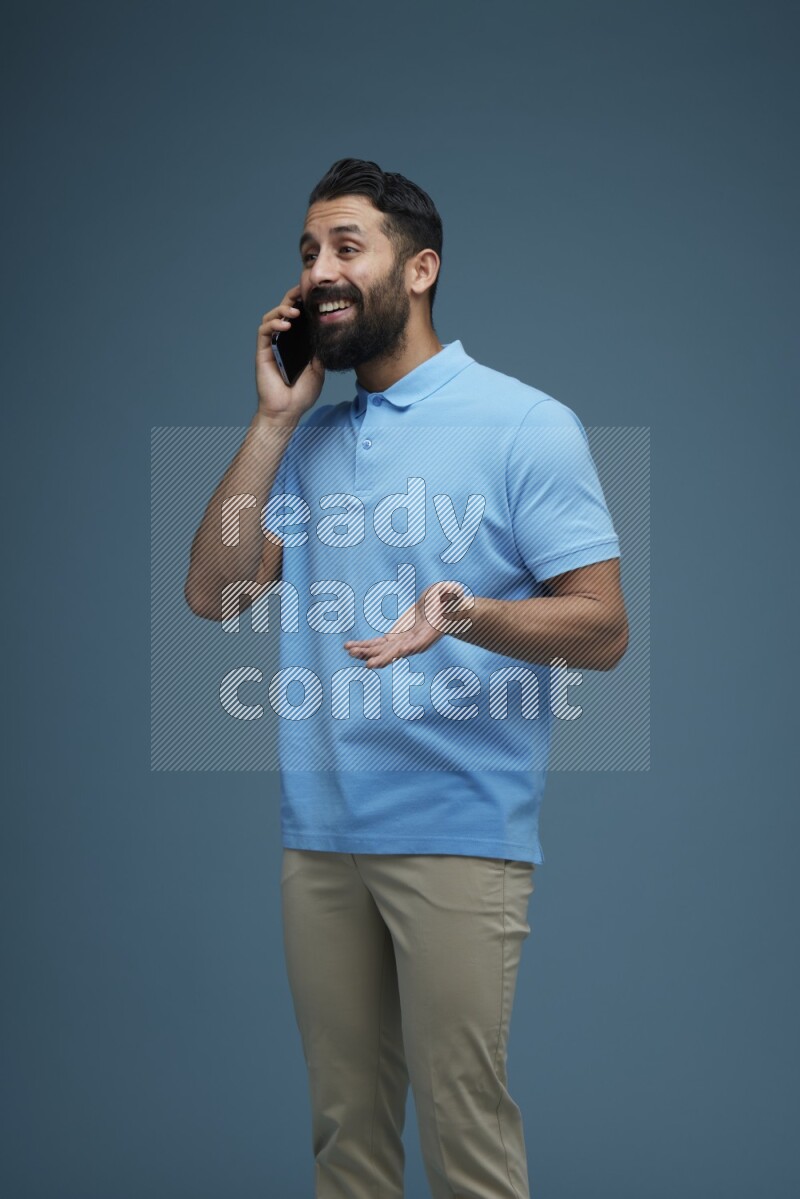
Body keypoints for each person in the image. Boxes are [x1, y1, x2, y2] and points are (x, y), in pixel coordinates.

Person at [185, 157, 628, 1199]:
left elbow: (603, 629)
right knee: (346, 1136)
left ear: (418, 268)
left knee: (463, 1138)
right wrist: (269, 423)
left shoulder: (524, 423)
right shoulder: (309, 441)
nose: (317, 272)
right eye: (305, 252)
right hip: (321, 834)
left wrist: (467, 610)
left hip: (458, 830)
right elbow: (216, 593)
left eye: (346, 246)